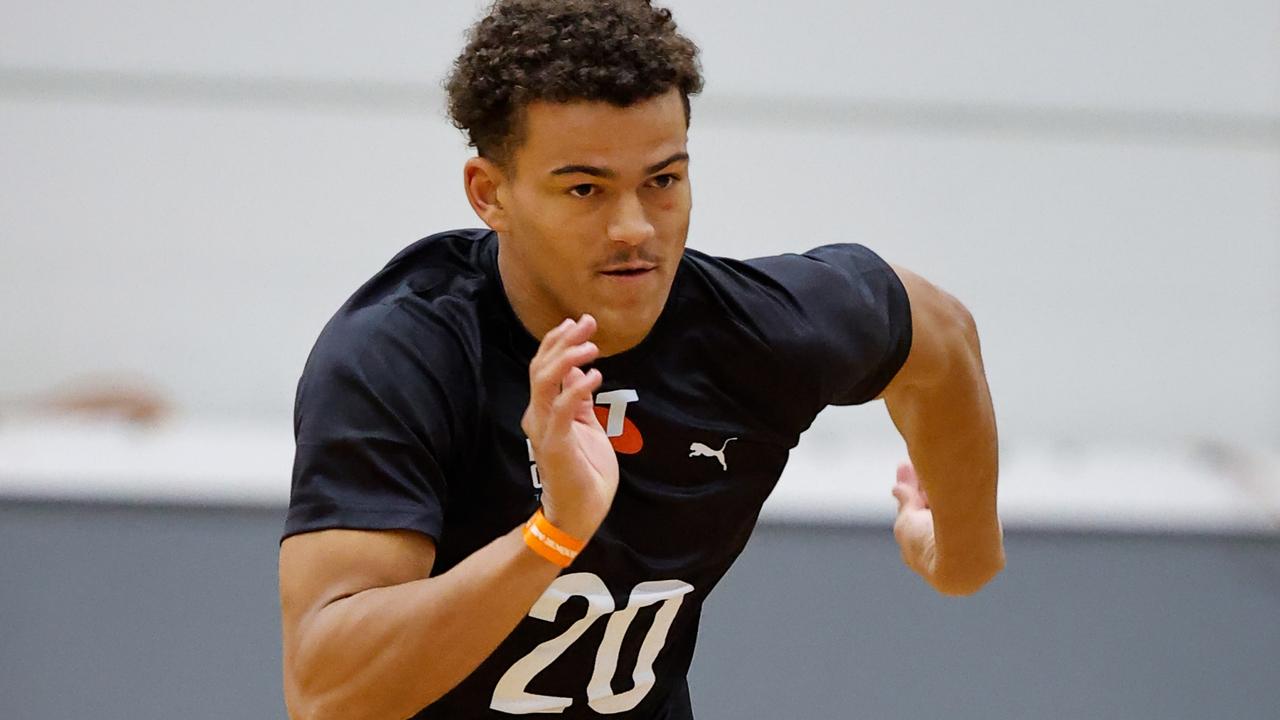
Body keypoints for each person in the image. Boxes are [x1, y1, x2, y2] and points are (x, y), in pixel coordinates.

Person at [278, 1, 1005, 718]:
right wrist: (552, 535)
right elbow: (329, 694)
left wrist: (962, 555)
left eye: (662, 181)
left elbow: (941, 339)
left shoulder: (759, 333)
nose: (634, 230)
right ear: (490, 193)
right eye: (585, 189)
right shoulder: (394, 357)